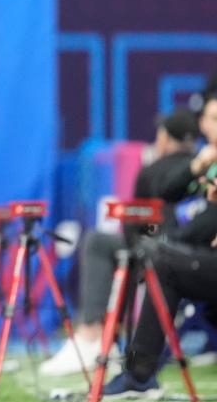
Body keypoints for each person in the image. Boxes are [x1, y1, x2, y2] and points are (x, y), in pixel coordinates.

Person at [39, 108, 200, 376]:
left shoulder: (153, 171)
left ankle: (93, 334)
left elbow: (133, 230)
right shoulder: (207, 167)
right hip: (196, 256)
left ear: (167, 139)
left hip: (166, 258)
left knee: (102, 244)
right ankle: (104, 336)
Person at [103, 94, 217, 397]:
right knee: (160, 258)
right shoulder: (206, 161)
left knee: (161, 258)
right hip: (202, 253)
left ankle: (138, 373)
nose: (211, 126)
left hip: (199, 253)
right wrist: (196, 166)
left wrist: (170, 243)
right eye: (210, 118)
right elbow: (167, 191)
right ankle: (137, 370)